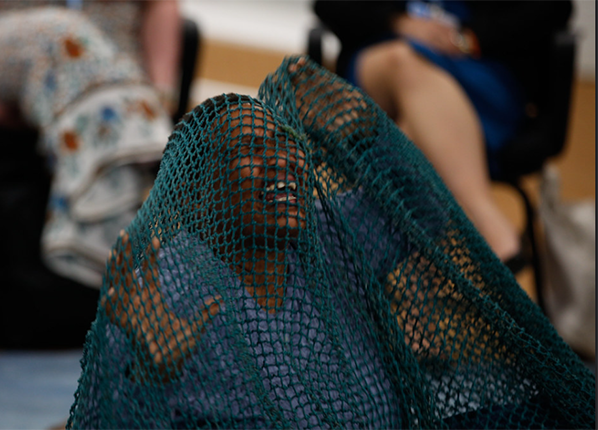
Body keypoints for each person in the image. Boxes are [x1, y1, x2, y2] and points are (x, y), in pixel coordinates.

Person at [65, 56, 594, 429]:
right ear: (200, 189)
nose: (283, 162)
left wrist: (362, 128)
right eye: (251, 148)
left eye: (288, 146)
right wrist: (149, 376)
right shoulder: (161, 286)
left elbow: (422, 207)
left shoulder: (330, 237)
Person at [313, 0, 573, 270]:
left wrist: (469, 38)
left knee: (408, 135)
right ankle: (489, 224)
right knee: (403, 60)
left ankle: (402, 285)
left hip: (477, 71)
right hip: (382, 63)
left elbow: (552, 8)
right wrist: (398, 22)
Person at [0, 0, 181, 287]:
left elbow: (161, 5)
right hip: (26, 47)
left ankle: (108, 245)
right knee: (62, 32)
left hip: (120, 86)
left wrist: (161, 100)